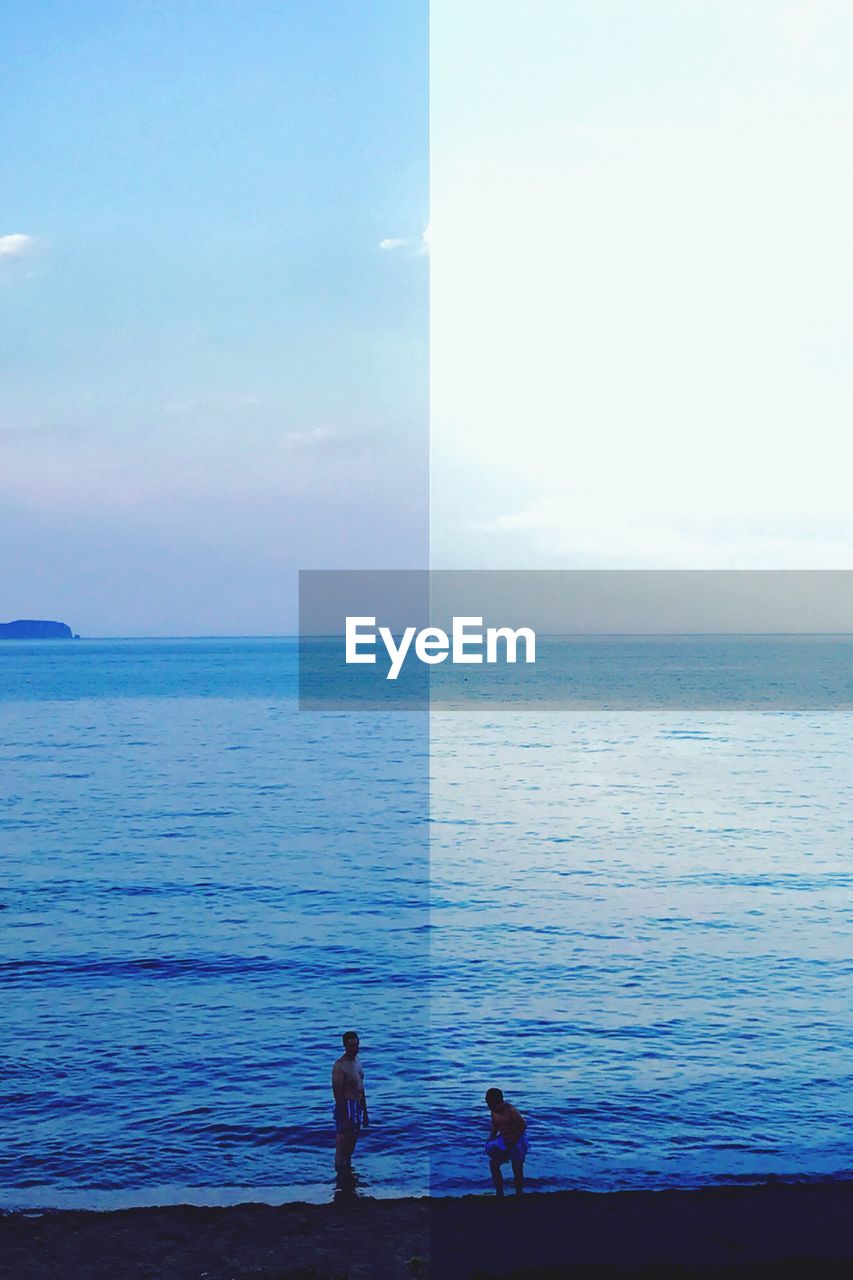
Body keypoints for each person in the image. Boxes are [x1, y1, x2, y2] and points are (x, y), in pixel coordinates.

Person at [332, 1030, 369, 1173]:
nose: (354, 1048)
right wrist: (343, 1115)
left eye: (356, 1045)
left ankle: (348, 1169)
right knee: (342, 1143)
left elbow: (361, 1087)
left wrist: (365, 1112)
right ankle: (340, 1174)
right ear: (345, 1046)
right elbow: (337, 1094)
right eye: (351, 1046)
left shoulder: (357, 1062)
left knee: (352, 1141)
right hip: (346, 1105)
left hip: (357, 1105)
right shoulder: (340, 1066)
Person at [484, 1087, 528, 1197]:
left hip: (517, 1139)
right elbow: (495, 1126)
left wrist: (512, 1141)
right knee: (493, 1164)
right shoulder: (493, 1111)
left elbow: (522, 1126)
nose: (490, 1108)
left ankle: (519, 1193)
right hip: (503, 1138)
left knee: (517, 1167)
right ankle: (500, 1192)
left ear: (500, 1102)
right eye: (488, 1105)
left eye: (492, 1105)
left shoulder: (511, 1111)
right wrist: (491, 1139)